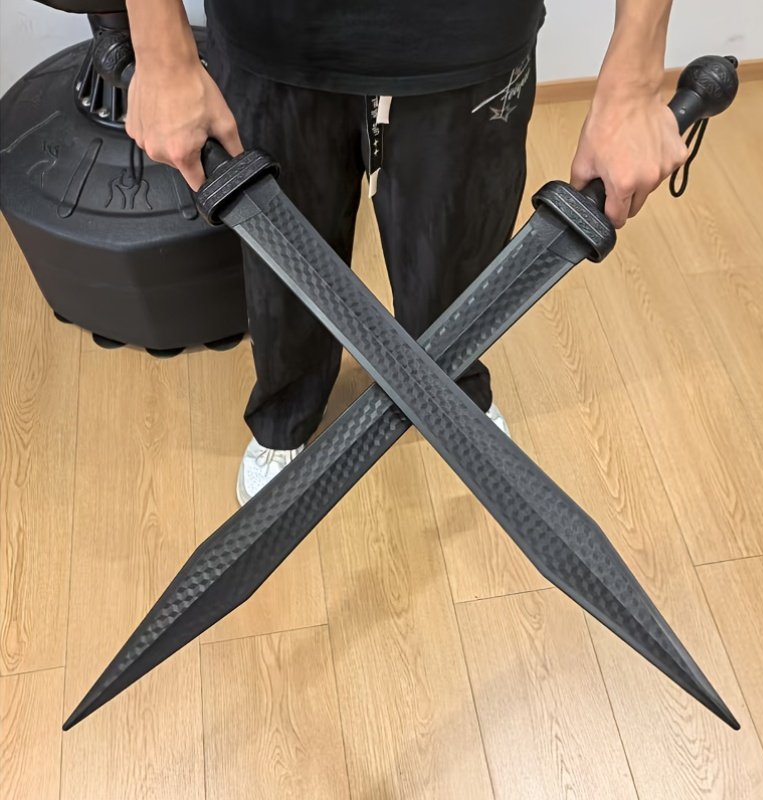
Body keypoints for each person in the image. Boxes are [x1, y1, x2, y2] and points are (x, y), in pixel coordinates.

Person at [124, 0, 688, 505]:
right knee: (284, 270)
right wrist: (161, 53)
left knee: (459, 266)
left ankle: (453, 387)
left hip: (472, 30)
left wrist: (635, 81)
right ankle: (287, 407)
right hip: (272, 30)